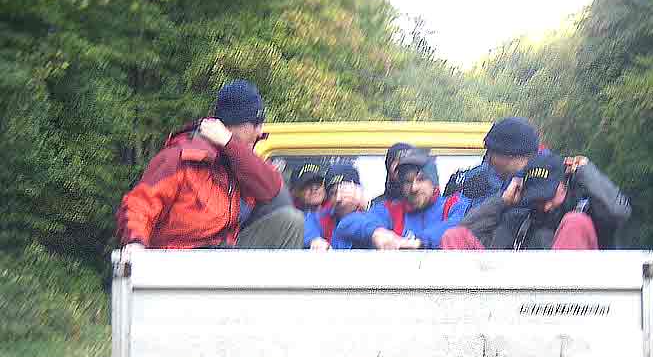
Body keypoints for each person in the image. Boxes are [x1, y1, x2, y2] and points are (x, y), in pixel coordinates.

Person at [117, 79, 303, 250]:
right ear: (233, 124)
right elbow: (139, 203)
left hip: (225, 255)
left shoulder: (240, 161)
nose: (260, 131)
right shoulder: (180, 157)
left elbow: (272, 189)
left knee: (291, 221)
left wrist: (229, 145)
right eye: (256, 123)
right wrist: (135, 243)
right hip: (181, 258)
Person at [441, 153, 631, 251]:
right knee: (454, 235)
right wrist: (502, 201)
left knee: (575, 221)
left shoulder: (591, 210)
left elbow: (619, 212)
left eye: (549, 196)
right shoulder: (521, 217)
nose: (546, 206)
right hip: (520, 304)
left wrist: (585, 170)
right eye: (538, 199)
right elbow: (464, 232)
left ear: (565, 184)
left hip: (577, 305)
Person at [334, 149, 468, 250]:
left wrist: (418, 242)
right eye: (407, 181)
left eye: (421, 179)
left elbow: (461, 224)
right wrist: (376, 232)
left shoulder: (453, 204)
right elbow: (347, 223)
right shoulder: (391, 210)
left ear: (434, 183)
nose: (414, 188)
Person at [446, 117, 541, 215]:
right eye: (488, 152)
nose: (488, 160)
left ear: (511, 155)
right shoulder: (482, 176)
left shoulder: (539, 192)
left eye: (492, 152)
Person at [304, 164, 368, 250]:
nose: (338, 198)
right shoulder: (323, 217)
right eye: (332, 193)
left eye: (344, 191)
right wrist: (314, 240)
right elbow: (307, 223)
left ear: (357, 191)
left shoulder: (374, 216)